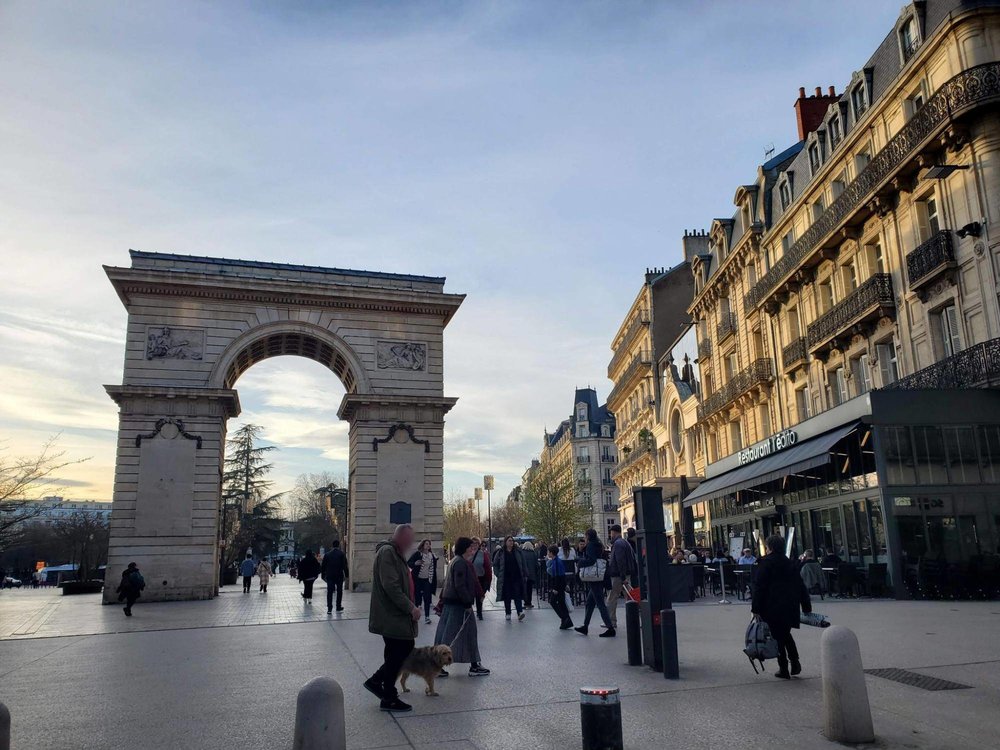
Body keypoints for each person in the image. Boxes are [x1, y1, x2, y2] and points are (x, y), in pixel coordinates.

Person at [365, 524, 421, 712]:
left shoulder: (395, 553)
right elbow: (391, 586)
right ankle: (381, 688)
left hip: (394, 614)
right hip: (392, 614)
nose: (411, 543)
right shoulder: (388, 553)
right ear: (399, 537)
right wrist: (410, 607)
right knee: (404, 647)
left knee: (395, 652)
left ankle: (386, 693)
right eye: (408, 539)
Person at [752, 534, 813, 679]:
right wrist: (806, 605)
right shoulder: (790, 563)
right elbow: (800, 585)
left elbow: (759, 587)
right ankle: (794, 661)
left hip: (771, 605)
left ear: (770, 547)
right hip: (790, 605)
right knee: (785, 633)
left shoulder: (766, 563)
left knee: (777, 636)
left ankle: (784, 667)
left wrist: (755, 608)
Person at [435, 537, 490, 677]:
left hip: (452, 603)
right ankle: (473, 665)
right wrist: (467, 602)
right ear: (466, 548)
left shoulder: (456, 561)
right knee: (466, 633)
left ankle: (438, 664)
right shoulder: (461, 563)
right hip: (459, 605)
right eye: (471, 547)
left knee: (447, 633)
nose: (473, 549)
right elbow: (459, 585)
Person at [575, 528, 615, 637]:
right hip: (600, 576)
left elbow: (591, 560)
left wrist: (580, 562)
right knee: (590, 602)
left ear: (588, 536)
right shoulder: (598, 544)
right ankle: (585, 626)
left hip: (595, 578)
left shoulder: (591, 546)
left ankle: (610, 627)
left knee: (600, 603)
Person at [605, 524, 635, 630]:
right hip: (624, 574)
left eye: (611, 532)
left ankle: (611, 621)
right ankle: (635, 619)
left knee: (612, 598)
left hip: (618, 575)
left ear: (614, 532)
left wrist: (622, 576)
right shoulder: (624, 542)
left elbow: (620, 560)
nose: (610, 534)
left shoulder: (618, 544)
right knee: (630, 598)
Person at [493, 535, 527, 621]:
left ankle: (520, 612)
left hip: (516, 577)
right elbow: (495, 564)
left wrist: (525, 573)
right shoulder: (501, 552)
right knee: (507, 595)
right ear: (505, 542)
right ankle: (508, 612)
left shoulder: (518, 551)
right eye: (509, 541)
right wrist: (498, 574)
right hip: (506, 578)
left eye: (512, 540)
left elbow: (523, 563)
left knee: (517, 595)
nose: (511, 542)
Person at [408, 539, 438, 624]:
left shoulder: (431, 555)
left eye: (429, 544)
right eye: (426, 544)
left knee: (427, 598)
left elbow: (433, 568)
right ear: (422, 545)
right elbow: (408, 562)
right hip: (418, 579)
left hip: (427, 580)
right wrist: (415, 564)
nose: (428, 545)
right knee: (417, 598)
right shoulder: (417, 554)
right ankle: (415, 614)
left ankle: (427, 617)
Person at [546, 545, 574, 630]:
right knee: (561, 603)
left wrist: (555, 588)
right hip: (560, 585)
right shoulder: (557, 561)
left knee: (553, 601)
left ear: (551, 553)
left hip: (558, 586)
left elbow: (558, 576)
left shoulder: (556, 562)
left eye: (548, 552)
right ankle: (566, 620)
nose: (547, 554)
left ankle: (564, 618)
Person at [321, 539, 349, 613]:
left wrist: (323, 575)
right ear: (338, 545)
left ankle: (329, 608)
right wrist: (346, 574)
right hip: (339, 575)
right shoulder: (341, 554)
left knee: (329, 591)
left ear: (332, 546)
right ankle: (338, 606)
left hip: (330, 575)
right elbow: (345, 565)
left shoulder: (327, 555)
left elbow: (323, 566)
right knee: (339, 591)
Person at [470, 536, 493, 621]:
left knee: (479, 596)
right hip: (470, 578)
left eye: (476, 543)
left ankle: (479, 612)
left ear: (478, 544)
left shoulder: (483, 554)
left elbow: (487, 567)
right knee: (470, 596)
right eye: (472, 543)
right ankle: (469, 612)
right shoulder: (467, 553)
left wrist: (488, 580)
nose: (474, 545)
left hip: (481, 578)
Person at [521, 541, 538, 609]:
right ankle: (529, 603)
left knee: (524, 588)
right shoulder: (533, 553)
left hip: (524, 574)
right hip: (531, 574)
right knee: (529, 589)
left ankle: (525, 602)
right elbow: (536, 564)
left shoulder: (522, 553)